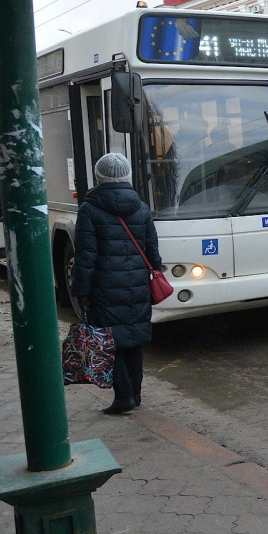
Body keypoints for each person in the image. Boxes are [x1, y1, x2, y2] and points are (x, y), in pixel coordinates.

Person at [71, 153, 162, 415]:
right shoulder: (142, 207)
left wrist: (81, 291)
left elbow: (85, 256)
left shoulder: (89, 209)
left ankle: (123, 398)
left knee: (111, 341)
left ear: (100, 177)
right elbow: (152, 250)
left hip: (105, 287)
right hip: (137, 284)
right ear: (126, 177)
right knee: (133, 340)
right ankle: (136, 394)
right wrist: (154, 273)